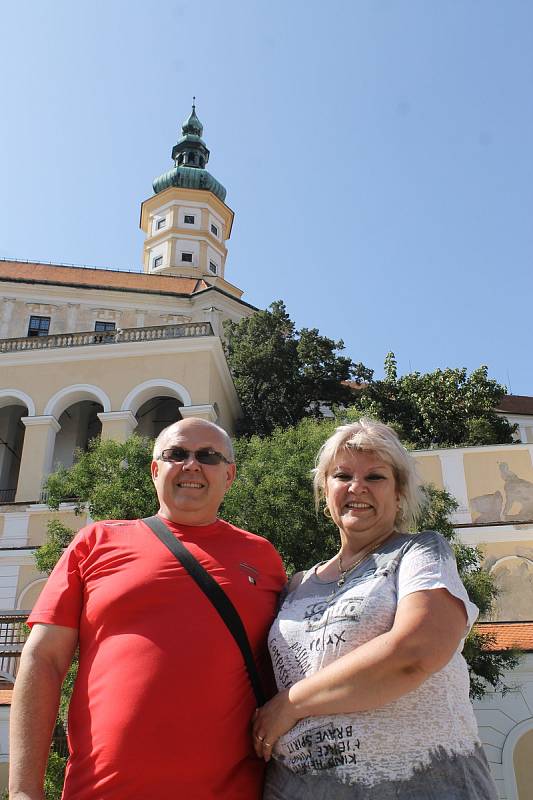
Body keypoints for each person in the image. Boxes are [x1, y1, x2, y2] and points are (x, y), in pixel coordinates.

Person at [10, 417, 286, 800]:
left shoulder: (263, 557)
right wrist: (25, 790)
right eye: (177, 454)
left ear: (229, 475)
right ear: (155, 470)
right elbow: (43, 660)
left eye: (207, 456)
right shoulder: (96, 541)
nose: (192, 465)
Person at [253, 418, 498, 800]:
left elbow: (417, 651)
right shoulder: (295, 585)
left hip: (425, 786)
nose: (357, 487)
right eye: (342, 475)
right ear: (325, 488)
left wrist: (291, 704)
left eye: (376, 477)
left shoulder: (419, 551)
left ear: (399, 493)